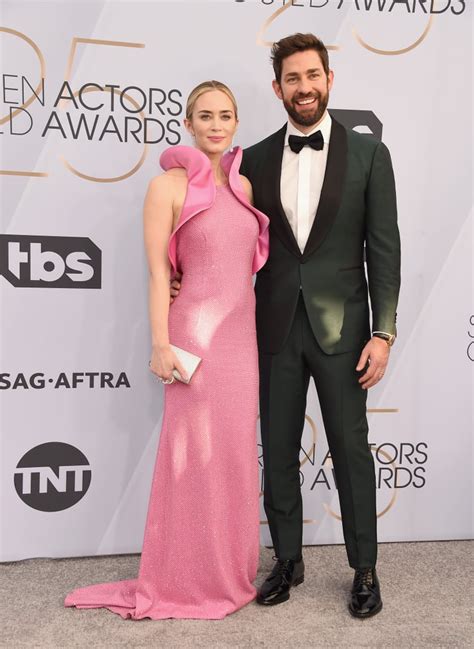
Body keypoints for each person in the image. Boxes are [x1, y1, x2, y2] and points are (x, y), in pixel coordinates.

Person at [171, 34, 400, 618]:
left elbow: (384, 249)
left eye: (313, 76)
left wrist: (384, 331)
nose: (304, 87)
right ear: (277, 89)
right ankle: (288, 559)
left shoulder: (370, 155)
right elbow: (214, 224)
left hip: (345, 330)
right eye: (292, 79)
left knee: (350, 447)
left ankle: (365, 568)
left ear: (329, 79)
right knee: (276, 447)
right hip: (269, 326)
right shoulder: (254, 160)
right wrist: (181, 276)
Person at [64, 81, 269, 620]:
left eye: (226, 115)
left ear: (236, 122)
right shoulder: (167, 186)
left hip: (240, 339)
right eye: (205, 116)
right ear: (187, 121)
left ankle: (228, 573)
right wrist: (160, 342)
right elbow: (159, 271)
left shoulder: (245, 186)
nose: (217, 125)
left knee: (231, 456)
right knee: (190, 459)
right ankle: (184, 578)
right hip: (193, 338)